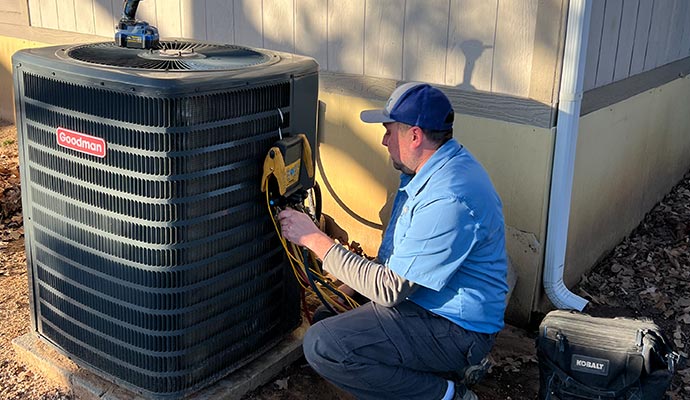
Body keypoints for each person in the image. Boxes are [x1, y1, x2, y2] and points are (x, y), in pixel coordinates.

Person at [277, 82, 508, 400]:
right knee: (329, 315)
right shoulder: (425, 173)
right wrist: (347, 289)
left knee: (323, 344)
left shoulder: (449, 196)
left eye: (389, 131)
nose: (384, 141)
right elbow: (397, 261)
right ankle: (443, 369)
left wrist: (314, 239)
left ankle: (446, 393)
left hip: (456, 328)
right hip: (427, 306)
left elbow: (390, 289)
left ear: (414, 135)